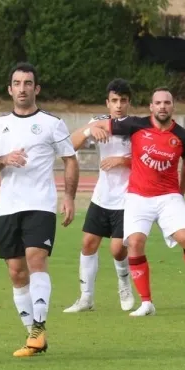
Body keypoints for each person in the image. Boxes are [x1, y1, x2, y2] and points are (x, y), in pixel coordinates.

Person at [86, 87, 185, 317]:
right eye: (158, 103)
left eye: (166, 103)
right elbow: (100, 125)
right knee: (135, 242)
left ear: (172, 107)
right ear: (151, 106)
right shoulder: (135, 125)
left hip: (168, 196)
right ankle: (146, 303)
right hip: (138, 196)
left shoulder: (182, 135)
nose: (162, 106)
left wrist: (181, 191)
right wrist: (92, 128)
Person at [0, 62, 79, 357]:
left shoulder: (52, 123)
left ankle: (38, 327)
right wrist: (4, 158)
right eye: (17, 83)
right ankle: (34, 336)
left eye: (27, 83)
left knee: (36, 259)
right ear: (9, 89)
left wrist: (69, 197)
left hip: (40, 204)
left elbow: (70, 159)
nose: (22, 89)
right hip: (8, 207)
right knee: (16, 272)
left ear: (37, 89)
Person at [63, 78, 136, 313]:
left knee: (117, 248)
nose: (118, 105)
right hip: (102, 196)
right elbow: (69, 145)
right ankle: (86, 298)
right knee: (88, 243)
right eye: (114, 100)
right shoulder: (99, 122)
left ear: (129, 103)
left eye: (123, 100)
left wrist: (122, 160)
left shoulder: (137, 127)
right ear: (107, 103)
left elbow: (147, 163)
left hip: (127, 198)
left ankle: (124, 284)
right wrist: (89, 130)